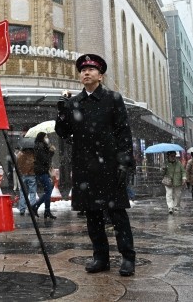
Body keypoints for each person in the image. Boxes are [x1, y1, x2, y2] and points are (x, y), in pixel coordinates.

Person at [55, 53, 136, 277]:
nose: (86, 73)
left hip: (110, 166)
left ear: (100, 75)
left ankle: (128, 258)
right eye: (83, 70)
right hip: (85, 167)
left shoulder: (113, 99)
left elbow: (123, 133)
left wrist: (124, 163)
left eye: (91, 69)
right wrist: (62, 113)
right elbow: (63, 132)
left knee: (118, 214)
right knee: (92, 216)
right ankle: (101, 257)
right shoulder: (74, 102)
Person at [31, 132, 56, 219]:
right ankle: (35, 206)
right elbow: (45, 159)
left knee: (48, 191)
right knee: (48, 191)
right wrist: (51, 152)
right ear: (42, 138)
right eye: (45, 137)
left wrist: (49, 151)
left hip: (42, 171)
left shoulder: (41, 146)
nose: (47, 138)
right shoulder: (40, 146)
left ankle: (47, 211)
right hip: (42, 172)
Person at [16, 139, 37, 216]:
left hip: (23, 176)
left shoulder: (19, 155)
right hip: (32, 175)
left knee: (23, 193)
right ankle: (32, 209)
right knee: (32, 193)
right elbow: (35, 165)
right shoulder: (34, 155)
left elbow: (17, 165)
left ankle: (22, 209)